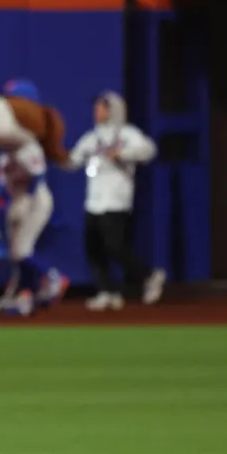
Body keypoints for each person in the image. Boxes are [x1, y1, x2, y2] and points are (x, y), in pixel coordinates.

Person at [0, 79, 71, 316]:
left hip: (37, 201)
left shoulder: (30, 149)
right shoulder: (5, 155)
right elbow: (1, 186)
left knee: (22, 252)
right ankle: (25, 297)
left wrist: (26, 206)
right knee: (16, 255)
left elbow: (37, 182)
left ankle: (53, 277)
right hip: (19, 201)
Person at [67, 91, 166, 310]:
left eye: (102, 107)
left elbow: (148, 150)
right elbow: (74, 160)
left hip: (116, 199)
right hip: (94, 200)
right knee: (93, 247)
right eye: (97, 107)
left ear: (113, 110)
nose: (97, 111)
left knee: (115, 245)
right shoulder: (91, 138)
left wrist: (122, 154)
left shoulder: (127, 134)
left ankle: (149, 276)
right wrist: (57, 156)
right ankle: (106, 291)